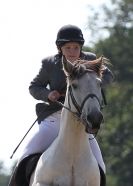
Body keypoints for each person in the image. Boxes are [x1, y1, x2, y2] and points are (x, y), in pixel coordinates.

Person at [9, 24, 113, 186]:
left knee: (100, 163)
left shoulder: (89, 60)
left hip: (81, 120)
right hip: (53, 119)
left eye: (76, 47)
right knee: (25, 155)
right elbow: (34, 87)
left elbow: (108, 76)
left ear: (81, 48)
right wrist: (48, 94)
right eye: (68, 48)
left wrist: (91, 83)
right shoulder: (49, 64)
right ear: (60, 49)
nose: (72, 51)